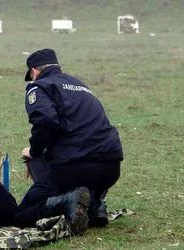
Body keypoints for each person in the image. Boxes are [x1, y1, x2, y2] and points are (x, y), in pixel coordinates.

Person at [13, 48, 123, 235]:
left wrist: (34, 151)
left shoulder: (39, 87)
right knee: (70, 157)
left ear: (34, 72)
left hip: (77, 168)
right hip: (111, 167)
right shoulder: (80, 85)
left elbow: (46, 121)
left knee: (19, 215)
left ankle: (67, 201)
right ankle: (95, 204)